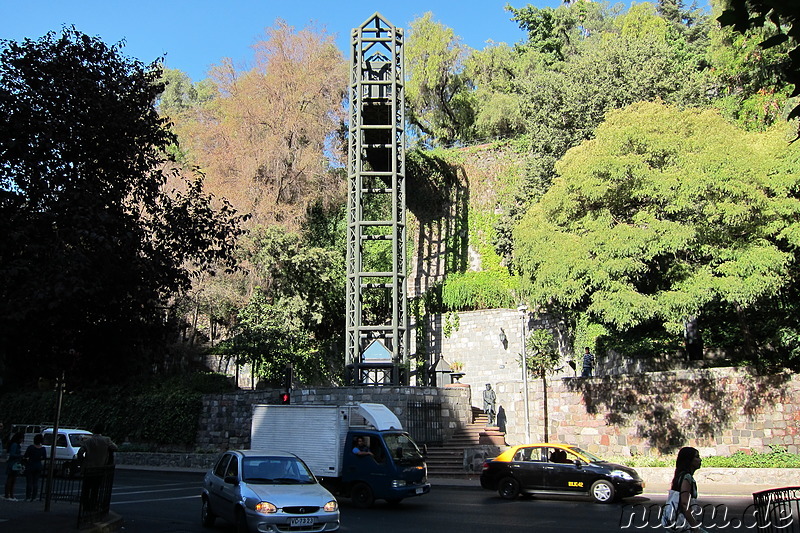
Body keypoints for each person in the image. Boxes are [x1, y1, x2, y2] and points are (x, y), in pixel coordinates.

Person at [667, 446, 709, 533]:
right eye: (697, 457)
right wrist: (695, 527)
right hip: (684, 525)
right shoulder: (687, 478)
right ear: (689, 460)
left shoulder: (680, 476)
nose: (700, 460)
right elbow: (684, 503)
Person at [78, 424, 118, 512]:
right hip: (100, 467)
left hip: (89, 467)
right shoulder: (106, 440)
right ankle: (93, 505)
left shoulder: (88, 441)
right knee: (95, 488)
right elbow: (115, 447)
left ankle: (85, 505)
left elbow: (80, 453)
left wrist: (82, 462)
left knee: (86, 488)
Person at [23, 433, 47, 501]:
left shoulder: (31, 447)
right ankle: (34, 496)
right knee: (35, 482)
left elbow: (25, 456)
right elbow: (44, 457)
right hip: (38, 465)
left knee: (29, 482)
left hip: (30, 465)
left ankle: (28, 496)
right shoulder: (43, 449)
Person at [4, 431, 24, 501]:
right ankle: (9, 494)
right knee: (11, 479)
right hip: (13, 463)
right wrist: (19, 456)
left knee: (12, 479)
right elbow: (12, 454)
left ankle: (9, 494)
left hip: (13, 463)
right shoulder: (15, 445)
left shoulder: (14, 444)